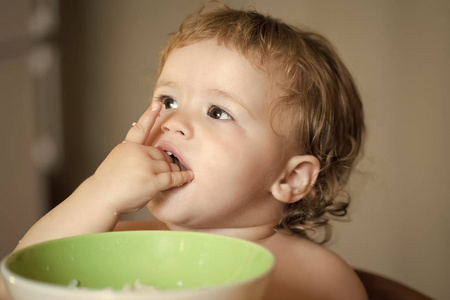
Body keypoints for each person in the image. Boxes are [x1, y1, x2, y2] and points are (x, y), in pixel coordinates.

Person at [17, 2, 367, 299]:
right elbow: (17, 284)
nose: (173, 121)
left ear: (290, 178)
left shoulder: (318, 279)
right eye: (168, 100)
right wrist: (99, 195)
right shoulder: (121, 245)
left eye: (217, 112)